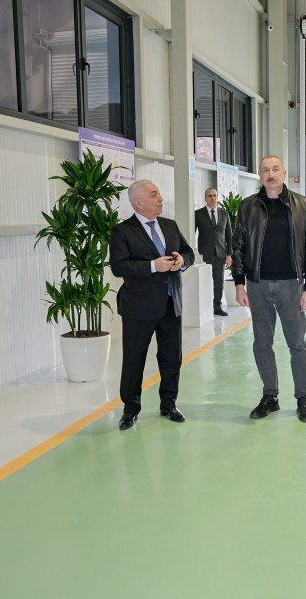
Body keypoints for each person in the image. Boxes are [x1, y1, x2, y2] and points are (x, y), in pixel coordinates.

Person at [232, 155, 306, 423]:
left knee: (297, 343)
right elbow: (238, 247)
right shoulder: (248, 206)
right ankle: (270, 396)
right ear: (260, 175)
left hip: (291, 285)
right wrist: (239, 283)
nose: (270, 174)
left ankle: (303, 398)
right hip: (257, 285)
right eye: (265, 170)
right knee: (262, 343)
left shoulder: (302, 205)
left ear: (284, 173)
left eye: (275, 169)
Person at [110, 180, 195, 430]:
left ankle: (169, 404)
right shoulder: (123, 231)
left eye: (159, 194)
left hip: (171, 303)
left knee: (171, 358)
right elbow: (118, 267)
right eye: (154, 195)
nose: (161, 199)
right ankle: (130, 408)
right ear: (138, 202)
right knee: (134, 359)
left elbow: (189, 252)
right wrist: (152, 266)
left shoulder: (169, 225)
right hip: (138, 308)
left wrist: (182, 261)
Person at [194, 187, 233, 316]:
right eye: (210, 196)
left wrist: (229, 254)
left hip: (220, 253)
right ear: (205, 198)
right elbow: (191, 232)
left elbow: (229, 235)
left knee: (219, 282)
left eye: (215, 195)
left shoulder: (224, 214)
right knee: (205, 281)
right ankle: (205, 307)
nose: (213, 198)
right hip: (205, 254)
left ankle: (217, 306)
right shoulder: (198, 214)